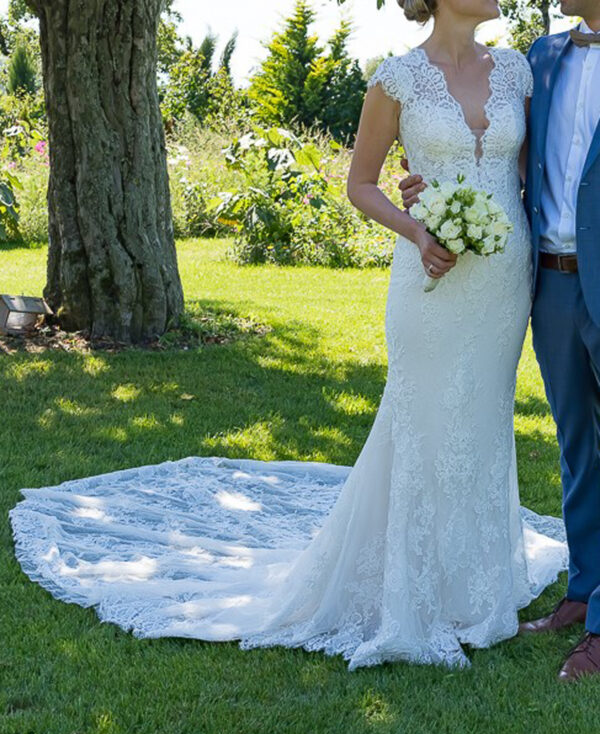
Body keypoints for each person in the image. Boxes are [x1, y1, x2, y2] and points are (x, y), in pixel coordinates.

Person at [8, 0, 569, 672]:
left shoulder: (517, 73)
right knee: (420, 420)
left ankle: (478, 585)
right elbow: (359, 184)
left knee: (481, 421)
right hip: (428, 279)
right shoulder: (395, 79)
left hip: (501, 280)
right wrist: (417, 225)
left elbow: (527, 176)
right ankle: (409, 595)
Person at [399, 0, 600, 681]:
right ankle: (582, 589)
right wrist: (428, 190)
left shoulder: (523, 63)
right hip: (547, 280)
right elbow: (515, 160)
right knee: (576, 444)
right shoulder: (541, 59)